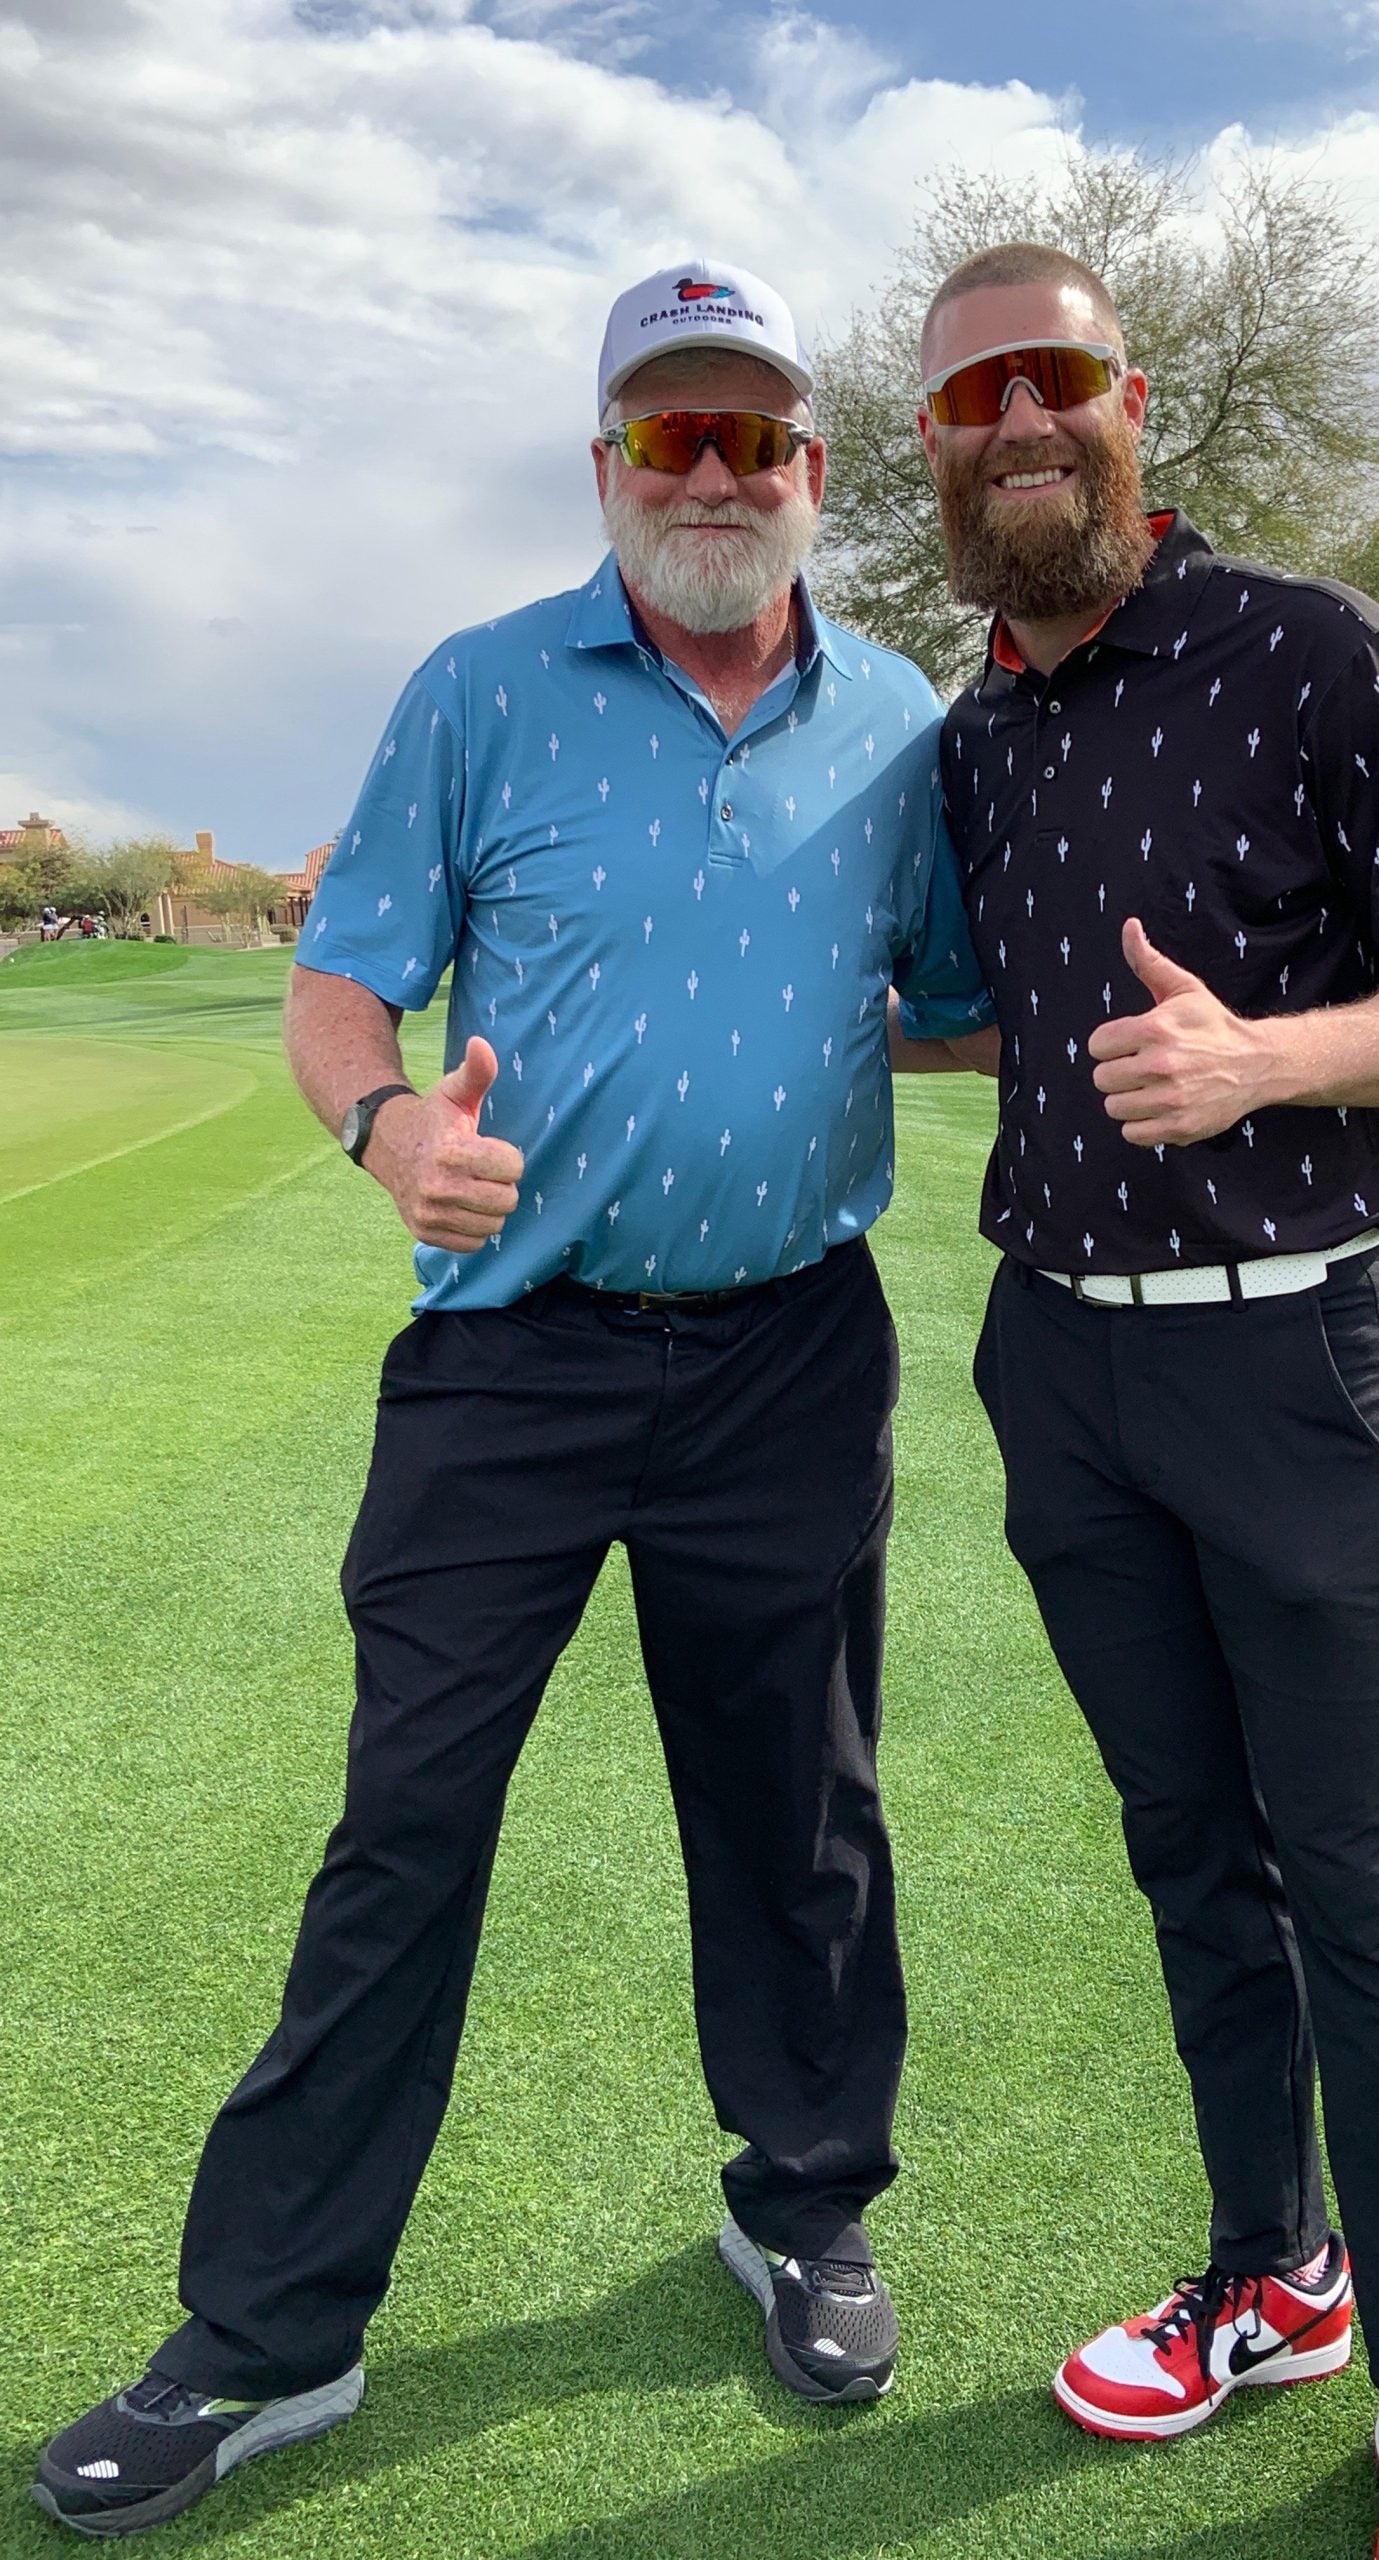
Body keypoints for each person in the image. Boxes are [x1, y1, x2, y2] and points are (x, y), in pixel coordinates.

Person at [34, 256, 995, 2540]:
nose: (714, 472)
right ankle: (270, 2329)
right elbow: (343, 981)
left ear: (816, 476)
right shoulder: (480, 690)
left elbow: (944, 998)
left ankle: (801, 2203)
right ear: (603, 467)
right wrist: (389, 1134)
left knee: (799, 1821)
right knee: (406, 1829)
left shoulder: (895, 720)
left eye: (754, 434)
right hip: (513, 1358)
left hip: (786, 1347)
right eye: (669, 434)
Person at [918, 244, 1379, 2560]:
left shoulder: (1314, 647)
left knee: (1359, 1888)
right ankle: (1274, 2272)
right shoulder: (979, 731)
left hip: (1293, 1358)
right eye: (978, 394)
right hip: (1061, 1364)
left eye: (1056, 378)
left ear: (1131, 403)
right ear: (937, 447)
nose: (1022, 424)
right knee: (1193, 1857)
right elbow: (996, 1013)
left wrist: (1263, 1055)